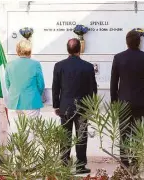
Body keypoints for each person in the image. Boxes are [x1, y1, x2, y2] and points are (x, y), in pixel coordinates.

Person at [110, 30, 144, 167]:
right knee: (137, 131)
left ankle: (124, 162)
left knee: (123, 131)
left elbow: (114, 81)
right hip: (141, 102)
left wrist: (114, 101)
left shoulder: (118, 58)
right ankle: (135, 161)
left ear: (126, 42)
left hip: (123, 101)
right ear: (139, 42)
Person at [52, 38, 97, 174]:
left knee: (65, 136)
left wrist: (56, 105)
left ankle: (64, 164)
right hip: (83, 106)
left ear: (68, 49)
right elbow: (92, 89)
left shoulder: (59, 66)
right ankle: (80, 166)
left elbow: (56, 88)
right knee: (81, 136)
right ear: (79, 49)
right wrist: (92, 106)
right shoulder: (88, 66)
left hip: (65, 106)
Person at [5, 39, 45, 119]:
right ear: (30, 50)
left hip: (14, 102)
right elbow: (41, 85)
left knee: (15, 130)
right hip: (32, 102)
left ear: (17, 50)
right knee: (32, 131)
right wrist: (36, 95)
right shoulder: (35, 64)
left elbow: (7, 84)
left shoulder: (9, 65)